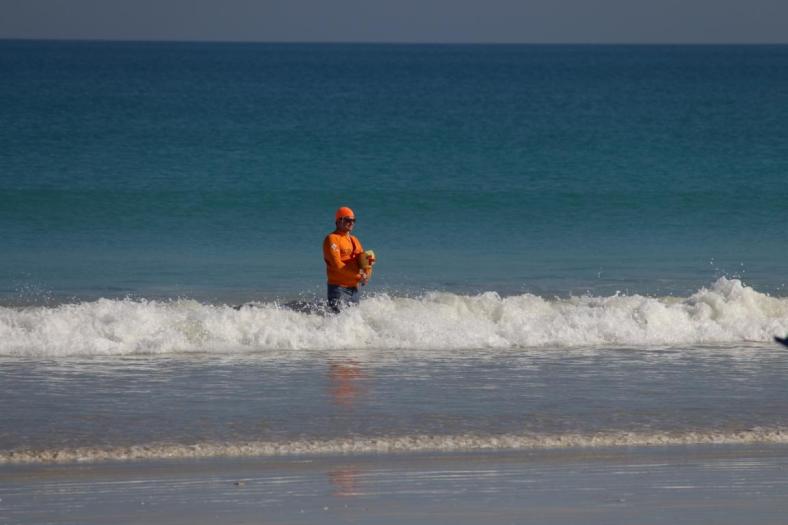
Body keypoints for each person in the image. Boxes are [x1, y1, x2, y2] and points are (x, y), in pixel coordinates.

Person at [323, 206, 373, 313]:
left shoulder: (354, 240)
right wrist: (359, 276)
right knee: (338, 319)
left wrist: (367, 273)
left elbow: (364, 259)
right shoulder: (332, 239)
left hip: (354, 289)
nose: (351, 223)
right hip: (338, 288)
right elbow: (337, 265)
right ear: (338, 221)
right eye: (348, 220)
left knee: (370, 254)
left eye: (353, 220)